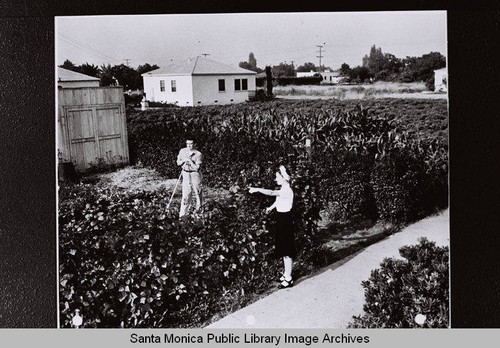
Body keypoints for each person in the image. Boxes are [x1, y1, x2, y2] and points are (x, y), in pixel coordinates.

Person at [249, 165, 296, 289]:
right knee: (283, 249)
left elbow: (271, 193)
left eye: (277, 177)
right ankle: (286, 274)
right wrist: (270, 208)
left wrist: (257, 189)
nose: (276, 179)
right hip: (281, 219)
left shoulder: (286, 190)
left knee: (287, 250)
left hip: (285, 220)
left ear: (284, 178)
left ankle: (289, 278)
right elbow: (277, 200)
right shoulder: (283, 189)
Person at [176, 139, 203, 217]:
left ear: (194, 144)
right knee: (186, 194)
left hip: (195, 175)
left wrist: (190, 162)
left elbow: (197, 168)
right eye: (187, 144)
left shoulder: (198, 154)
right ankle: (183, 214)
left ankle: (198, 213)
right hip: (185, 174)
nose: (189, 146)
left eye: (191, 144)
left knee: (197, 193)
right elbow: (178, 163)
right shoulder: (182, 151)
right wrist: (184, 160)